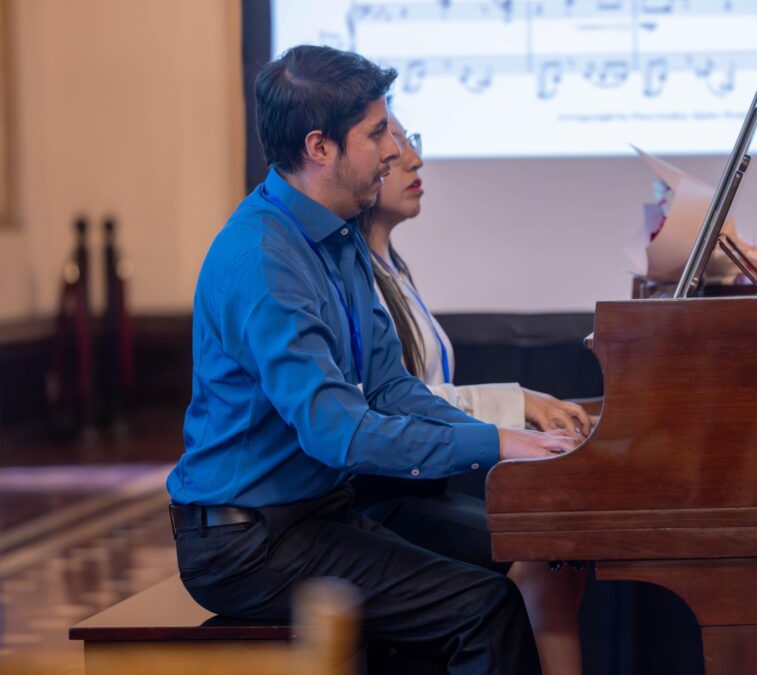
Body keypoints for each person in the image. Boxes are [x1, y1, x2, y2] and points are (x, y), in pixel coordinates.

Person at [166, 45, 583, 675]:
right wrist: (497, 444)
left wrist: (505, 437)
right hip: (246, 541)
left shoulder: (337, 236)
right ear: (320, 148)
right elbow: (339, 432)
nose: (394, 148)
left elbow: (390, 388)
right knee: (484, 607)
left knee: (522, 558)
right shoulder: (262, 258)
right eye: (377, 132)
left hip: (312, 514)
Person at [354, 115, 593, 675]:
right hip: (381, 498)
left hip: (416, 490)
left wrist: (523, 406)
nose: (411, 159)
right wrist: (517, 407)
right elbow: (397, 402)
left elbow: (419, 393)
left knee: (559, 548)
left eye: (411, 142)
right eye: (392, 143)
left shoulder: (391, 266)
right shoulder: (354, 274)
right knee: (542, 554)